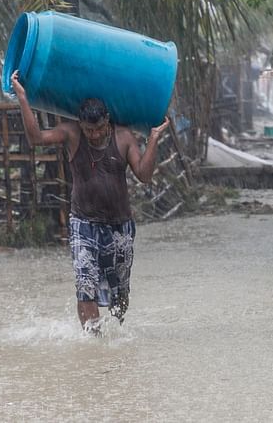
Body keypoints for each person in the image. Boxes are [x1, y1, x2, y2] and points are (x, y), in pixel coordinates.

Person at [10, 70, 169, 333]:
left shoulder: (123, 137)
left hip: (119, 227)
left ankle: (116, 333)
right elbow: (36, 138)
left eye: (98, 129)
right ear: (80, 125)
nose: (94, 135)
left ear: (108, 120)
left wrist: (152, 139)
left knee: (119, 295)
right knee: (86, 285)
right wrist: (23, 98)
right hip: (83, 224)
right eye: (88, 130)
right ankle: (92, 342)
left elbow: (144, 174)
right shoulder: (72, 134)